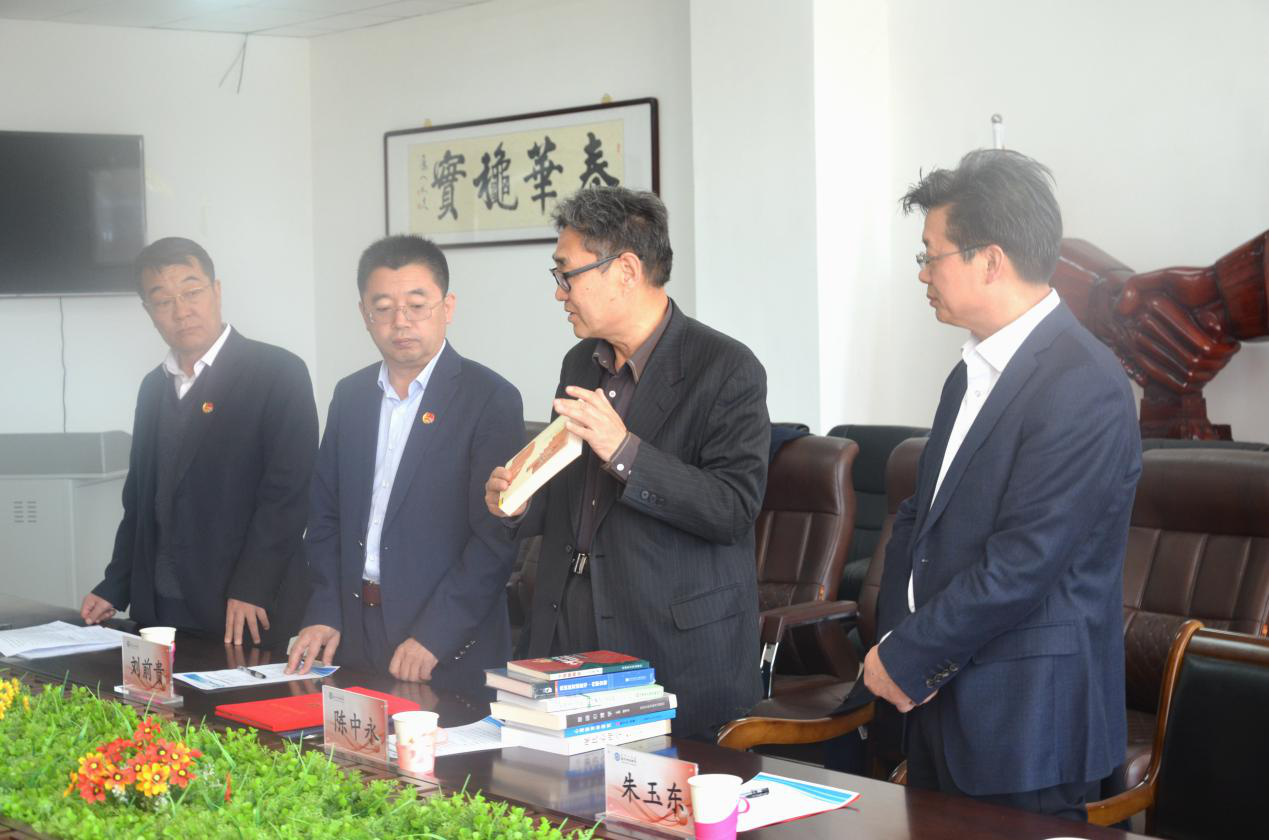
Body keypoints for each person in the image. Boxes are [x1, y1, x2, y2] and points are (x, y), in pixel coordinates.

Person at [861, 149, 1141, 819]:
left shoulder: (1084, 382)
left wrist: (909, 656)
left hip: (1026, 721)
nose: (922, 273)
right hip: (937, 698)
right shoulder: (969, 372)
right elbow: (920, 518)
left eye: (930, 255)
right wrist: (899, 649)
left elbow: (1024, 562)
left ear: (989, 260)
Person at [483, 187, 769, 737]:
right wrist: (516, 500)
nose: (559, 292)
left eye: (567, 274)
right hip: (568, 630)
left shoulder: (726, 368)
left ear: (626, 270)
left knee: (660, 790)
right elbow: (572, 495)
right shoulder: (580, 361)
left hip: (669, 641)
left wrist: (624, 451)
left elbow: (732, 509)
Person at [287, 235, 524, 686]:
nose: (401, 322)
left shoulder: (490, 398)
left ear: (447, 307)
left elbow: (496, 539)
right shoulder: (350, 395)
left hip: (445, 643)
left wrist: (436, 635)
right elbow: (324, 516)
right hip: (352, 630)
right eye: (384, 307)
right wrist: (324, 610)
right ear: (365, 314)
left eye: (417, 305)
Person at [81, 237, 318, 646]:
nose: (181, 310)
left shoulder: (278, 372)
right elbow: (139, 500)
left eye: (192, 292)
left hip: (243, 607)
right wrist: (114, 585)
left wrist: (253, 585)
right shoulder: (153, 387)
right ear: (148, 311)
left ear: (216, 291)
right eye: (163, 300)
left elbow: (289, 495)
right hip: (158, 606)